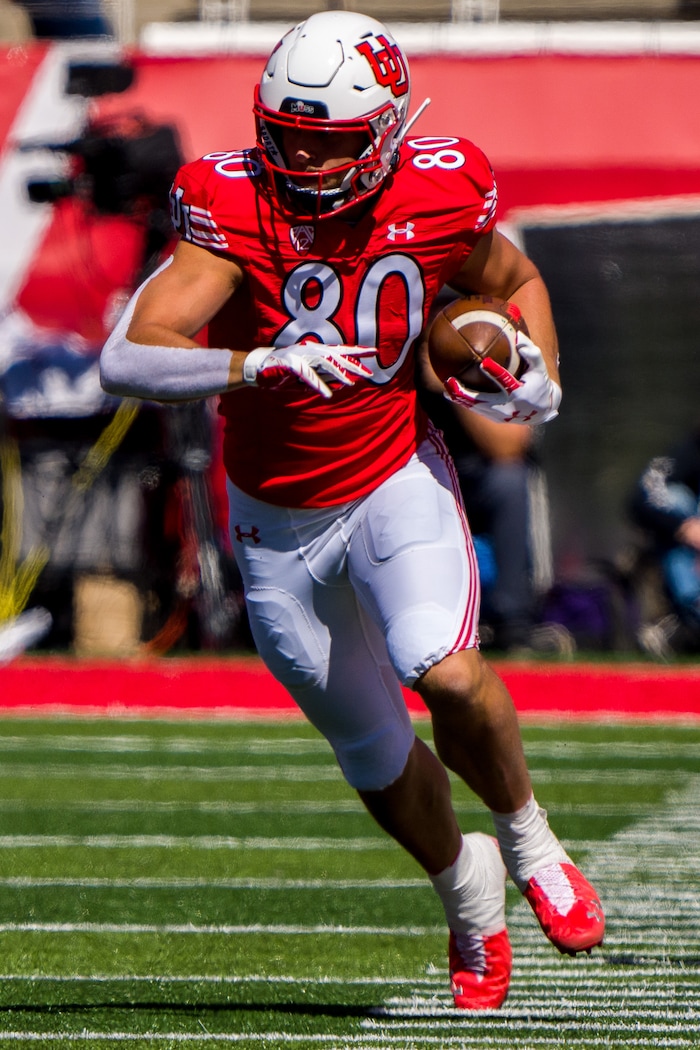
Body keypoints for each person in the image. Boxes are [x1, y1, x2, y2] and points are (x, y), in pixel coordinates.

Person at [99, 10, 604, 1009]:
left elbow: (512, 279)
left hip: (386, 479)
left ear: (381, 133)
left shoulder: (439, 183)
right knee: (373, 751)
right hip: (272, 522)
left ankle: (533, 844)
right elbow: (128, 350)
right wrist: (249, 361)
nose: (301, 162)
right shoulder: (231, 199)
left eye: (325, 145)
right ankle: (469, 901)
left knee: (445, 671)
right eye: (285, 137)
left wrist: (538, 380)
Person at [629, 422, 700, 657]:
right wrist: (684, 527)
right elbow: (640, 499)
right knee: (675, 500)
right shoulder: (686, 454)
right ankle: (693, 612)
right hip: (688, 557)